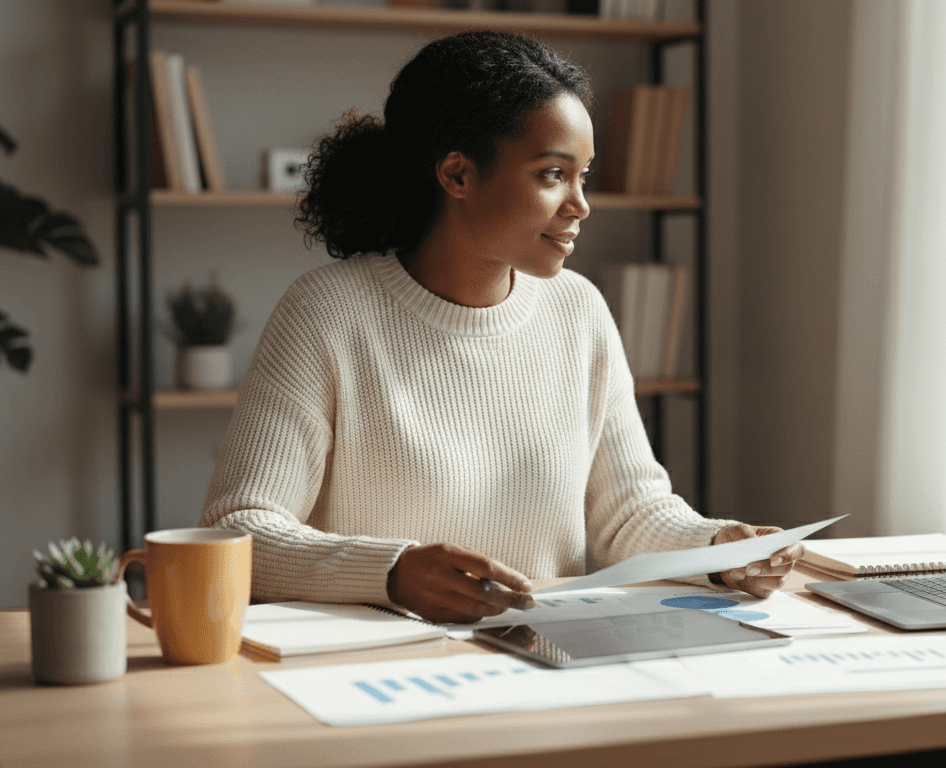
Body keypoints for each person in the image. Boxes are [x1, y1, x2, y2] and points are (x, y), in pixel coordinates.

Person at [200, 31, 802, 624]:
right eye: (551, 175)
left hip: (543, 657)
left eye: (584, 175)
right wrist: (392, 573)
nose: (580, 204)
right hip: (380, 672)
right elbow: (237, 528)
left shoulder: (579, 310)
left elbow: (630, 513)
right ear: (457, 175)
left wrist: (723, 549)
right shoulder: (325, 314)